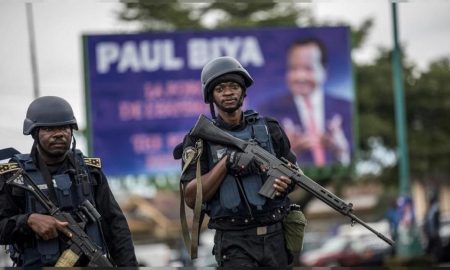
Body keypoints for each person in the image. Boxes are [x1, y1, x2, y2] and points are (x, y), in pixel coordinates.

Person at [177, 56, 302, 267]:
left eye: (234, 86)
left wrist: (285, 184)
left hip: (275, 237)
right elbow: (191, 197)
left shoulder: (270, 129)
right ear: (211, 96)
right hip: (234, 243)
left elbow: (293, 173)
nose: (228, 92)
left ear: (243, 91)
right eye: (220, 88)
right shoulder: (199, 140)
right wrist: (227, 163)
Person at [0, 96, 138, 267]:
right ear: (35, 133)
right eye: (49, 129)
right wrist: (28, 221)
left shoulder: (89, 171)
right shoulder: (15, 175)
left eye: (64, 127)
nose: (59, 134)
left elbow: (116, 226)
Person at [258, 37, 352, 166]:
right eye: (293, 68)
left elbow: (354, 162)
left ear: (324, 71)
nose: (299, 76)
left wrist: (341, 152)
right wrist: (285, 153)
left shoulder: (346, 109)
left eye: (308, 68)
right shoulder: (267, 111)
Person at [424, 192, 441, 260]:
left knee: (434, 246)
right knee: (432, 246)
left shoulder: (435, 210)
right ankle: (430, 257)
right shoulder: (430, 211)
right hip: (431, 233)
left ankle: (436, 258)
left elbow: (436, 221)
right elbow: (427, 222)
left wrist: (436, 230)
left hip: (434, 232)